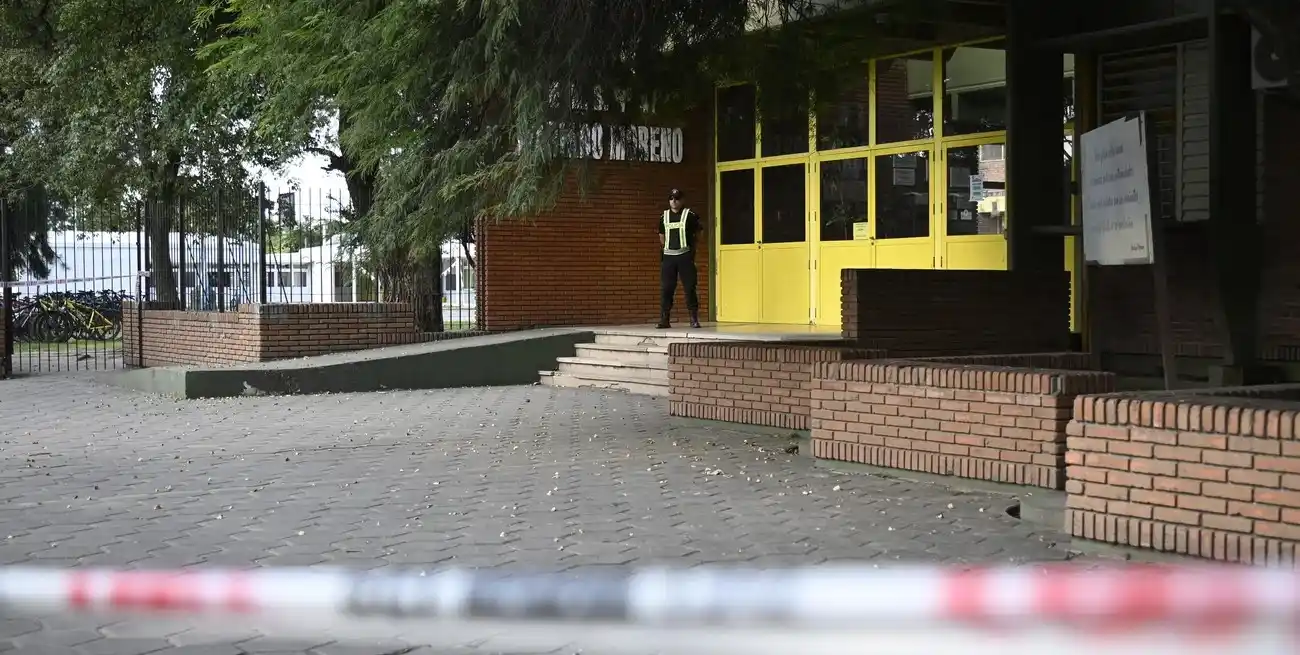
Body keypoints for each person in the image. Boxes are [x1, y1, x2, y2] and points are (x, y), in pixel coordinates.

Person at [657, 188, 702, 329]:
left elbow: (699, 233)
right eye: (671, 199)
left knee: (689, 287)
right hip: (669, 257)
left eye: (676, 198)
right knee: (667, 289)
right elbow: (661, 236)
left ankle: (693, 318)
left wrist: (692, 249)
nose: (674, 201)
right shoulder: (663, 216)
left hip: (685, 256)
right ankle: (665, 319)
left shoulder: (690, 215)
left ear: (682, 200)